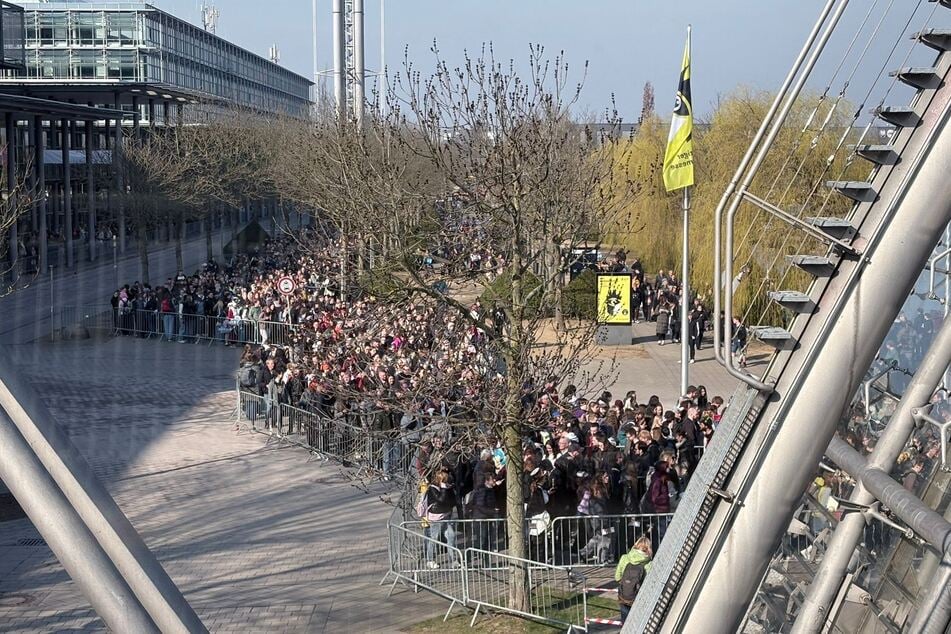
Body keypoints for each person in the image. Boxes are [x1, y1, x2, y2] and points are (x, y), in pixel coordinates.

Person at [615, 536, 652, 623]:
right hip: (639, 597)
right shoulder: (649, 564)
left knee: (625, 622)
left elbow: (617, 577)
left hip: (624, 595)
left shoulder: (624, 557)